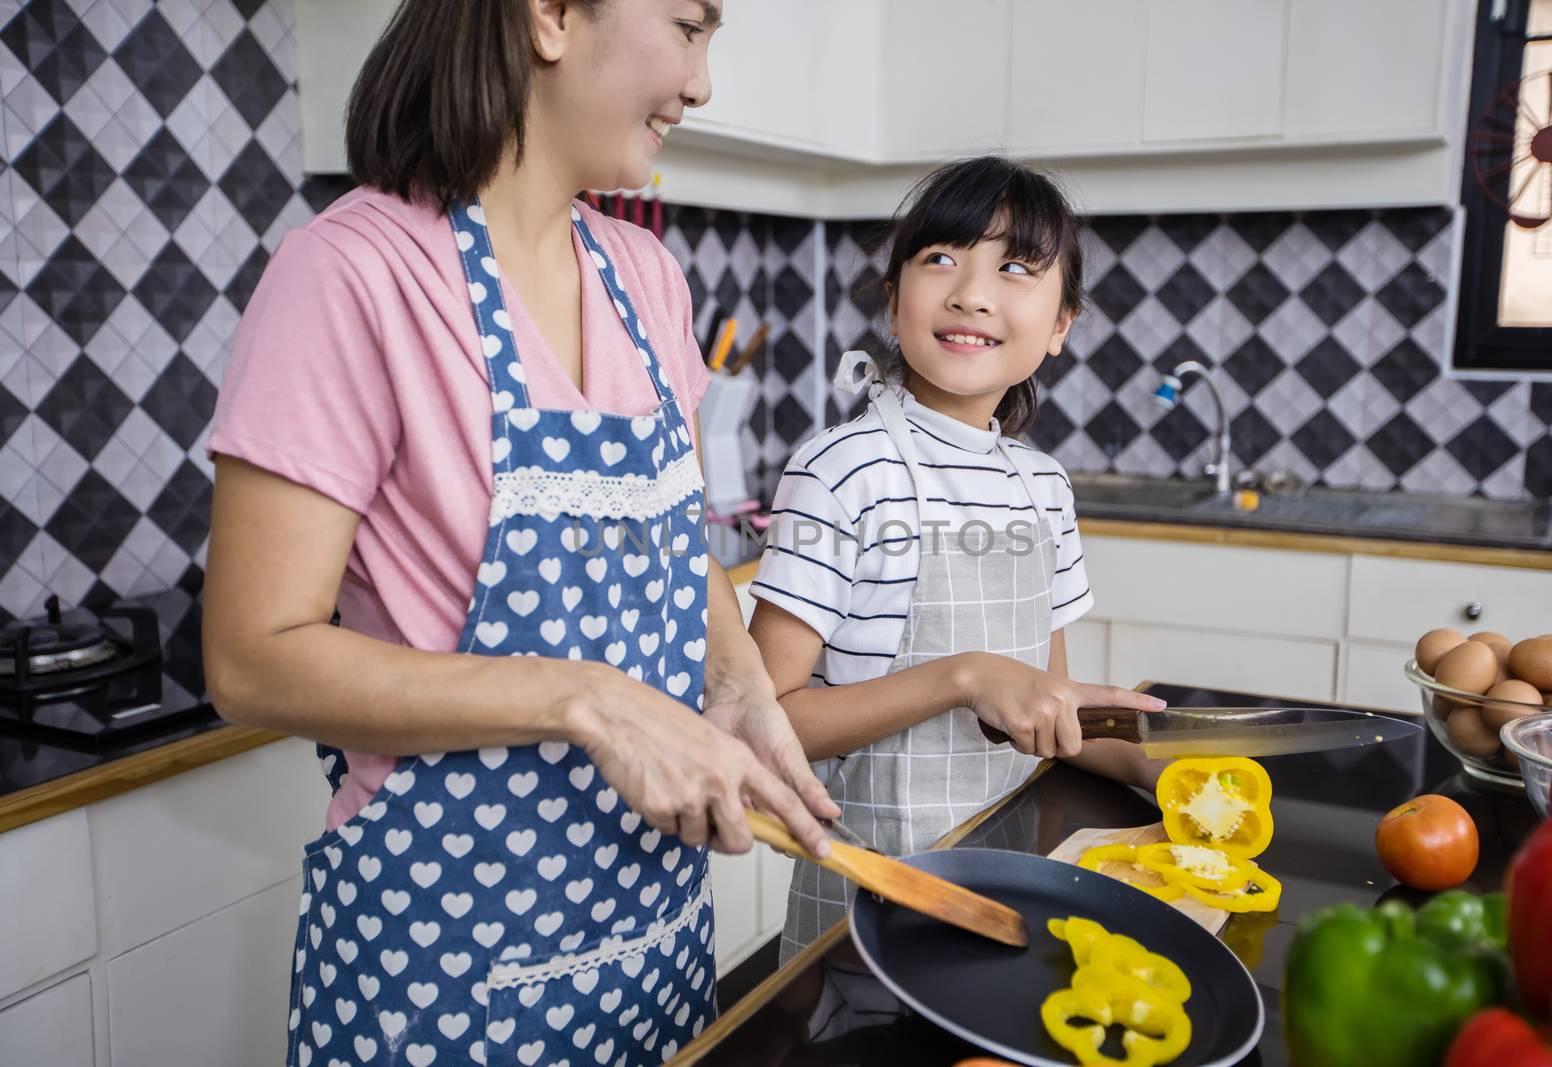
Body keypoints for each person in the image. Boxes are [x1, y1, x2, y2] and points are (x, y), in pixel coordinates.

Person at [202, 2, 836, 1064]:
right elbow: (249, 659)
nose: (702, 82)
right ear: (547, 15)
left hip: (650, 942)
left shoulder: (648, 281)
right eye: (687, 27)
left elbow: (678, 536)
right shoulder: (352, 274)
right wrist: (588, 698)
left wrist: (737, 682)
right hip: (444, 970)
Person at [747, 156, 1167, 962]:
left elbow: (1049, 712)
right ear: (894, 296)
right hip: (870, 897)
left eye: (1014, 268)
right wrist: (963, 675)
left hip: (1009, 875)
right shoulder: (840, 470)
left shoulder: (1043, 487)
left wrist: (1162, 769)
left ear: (1060, 326)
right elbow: (769, 725)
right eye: (941, 257)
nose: (971, 291)